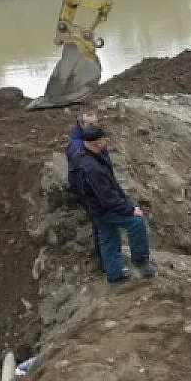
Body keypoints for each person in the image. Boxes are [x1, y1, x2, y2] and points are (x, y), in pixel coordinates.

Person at [69, 125, 157, 283]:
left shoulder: (81, 157)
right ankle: (141, 262)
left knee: (107, 236)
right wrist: (130, 210)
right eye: (103, 139)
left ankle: (115, 274)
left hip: (93, 207)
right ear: (96, 142)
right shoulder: (92, 168)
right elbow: (107, 197)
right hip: (104, 208)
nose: (106, 141)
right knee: (136, 223)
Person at [66, 111, 105, 270]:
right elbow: (82, 173)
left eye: (96, 123)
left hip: (98, 188)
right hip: (90, 192)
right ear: (81, 125)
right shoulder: (77, 147)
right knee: (100, 226)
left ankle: (107, 262)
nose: (94, 127)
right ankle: (105, 263)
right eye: (90, 124)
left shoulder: (93, 138)